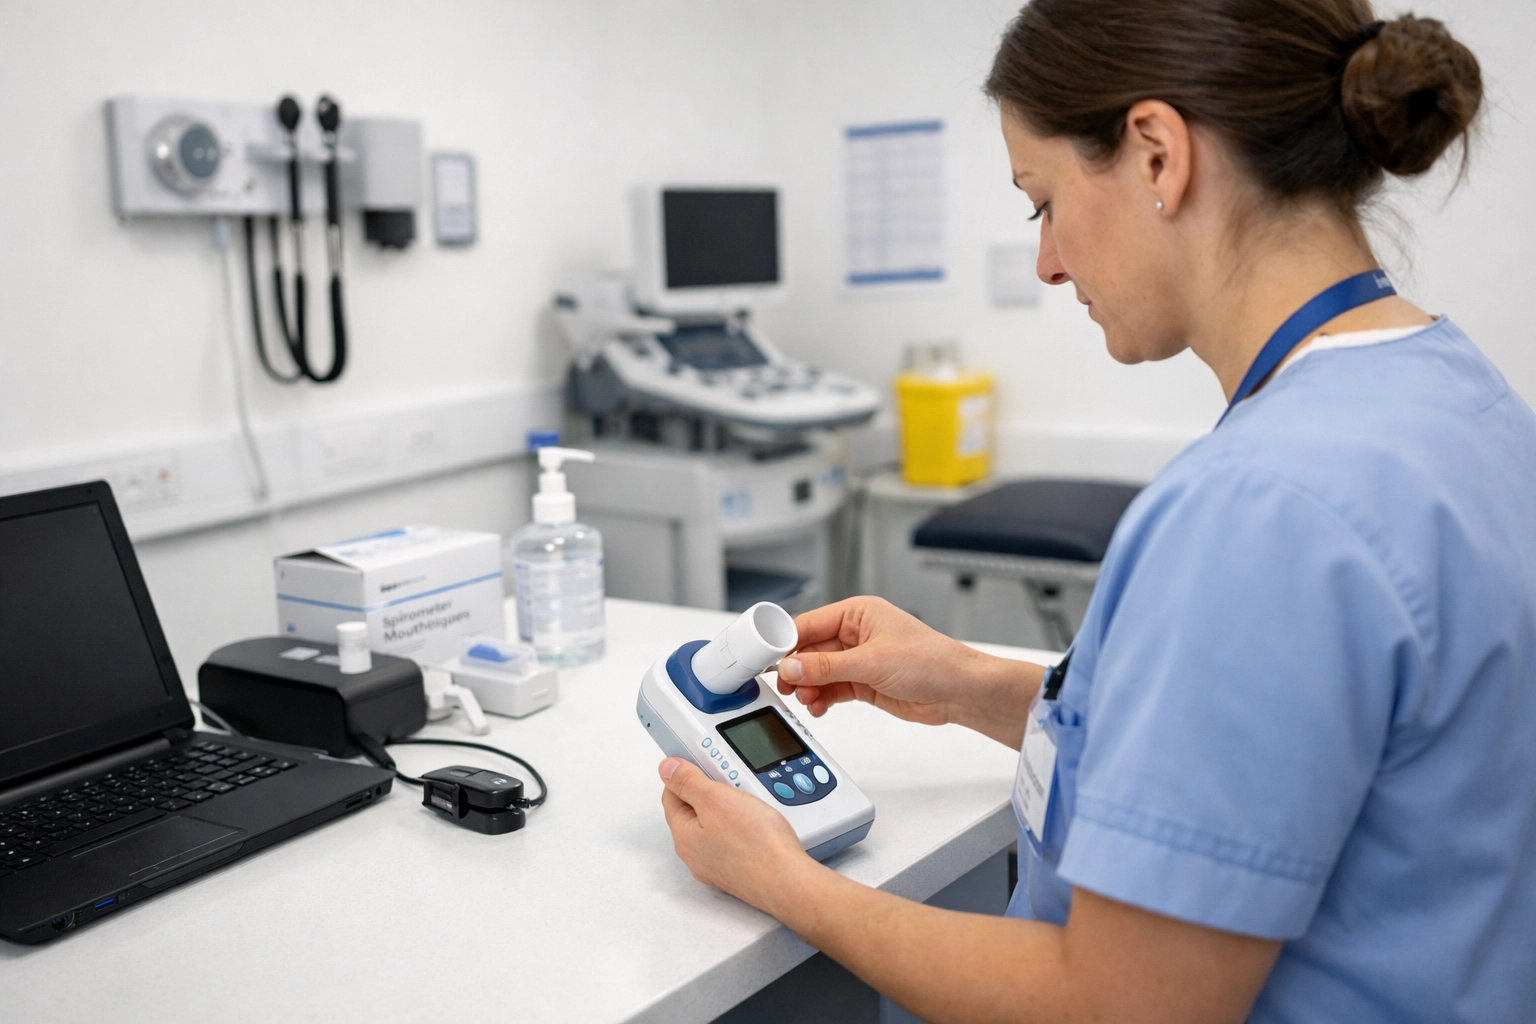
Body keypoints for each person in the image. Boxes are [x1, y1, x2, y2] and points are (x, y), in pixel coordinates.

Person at [656, 2, 1536, 1021]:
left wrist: (784, 880)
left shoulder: (1259, 510)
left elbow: (1119, 1006)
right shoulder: (1461, 398)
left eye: (1042, 202)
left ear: (1157, 154)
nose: (1048, 261)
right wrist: (970, 684)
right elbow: (1294, 765)